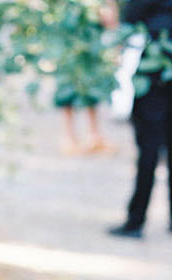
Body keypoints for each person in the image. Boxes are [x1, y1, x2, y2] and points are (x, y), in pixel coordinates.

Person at [109, 0, 172, 235]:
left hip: (153, 76)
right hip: (155, 71)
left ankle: (136, 221)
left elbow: (127, 24)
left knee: (148, 149)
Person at [53, 1, 120, 153]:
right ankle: (70, 137)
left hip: (90, 36)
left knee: (91, 86)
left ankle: (93, 135)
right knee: (66, 85)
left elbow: (109, 14)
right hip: (67, 36)